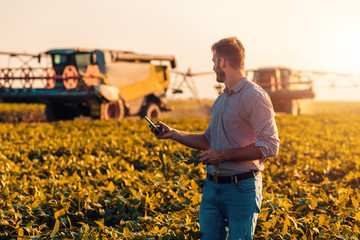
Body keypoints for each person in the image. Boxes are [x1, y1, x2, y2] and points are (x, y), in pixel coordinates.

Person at [149, 37, 280, 240]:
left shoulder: (255, 97)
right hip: (212, 186)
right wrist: (173, 133)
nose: (212, 67)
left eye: (213, 61)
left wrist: (224, 155)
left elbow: (270, 145)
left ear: (223, 62)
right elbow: (208, 140)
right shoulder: (221, 100)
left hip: (241, 187)